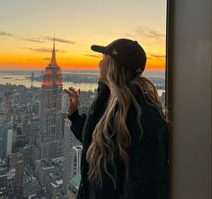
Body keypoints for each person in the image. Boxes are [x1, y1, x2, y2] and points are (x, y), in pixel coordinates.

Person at [65, 38, 169, 199]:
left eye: (103, 59)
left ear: (113, 66)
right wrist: (74, 115)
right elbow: (96, 141)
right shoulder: (109, 102)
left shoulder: (145, 116)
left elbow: (143, 186)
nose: (99, 64)